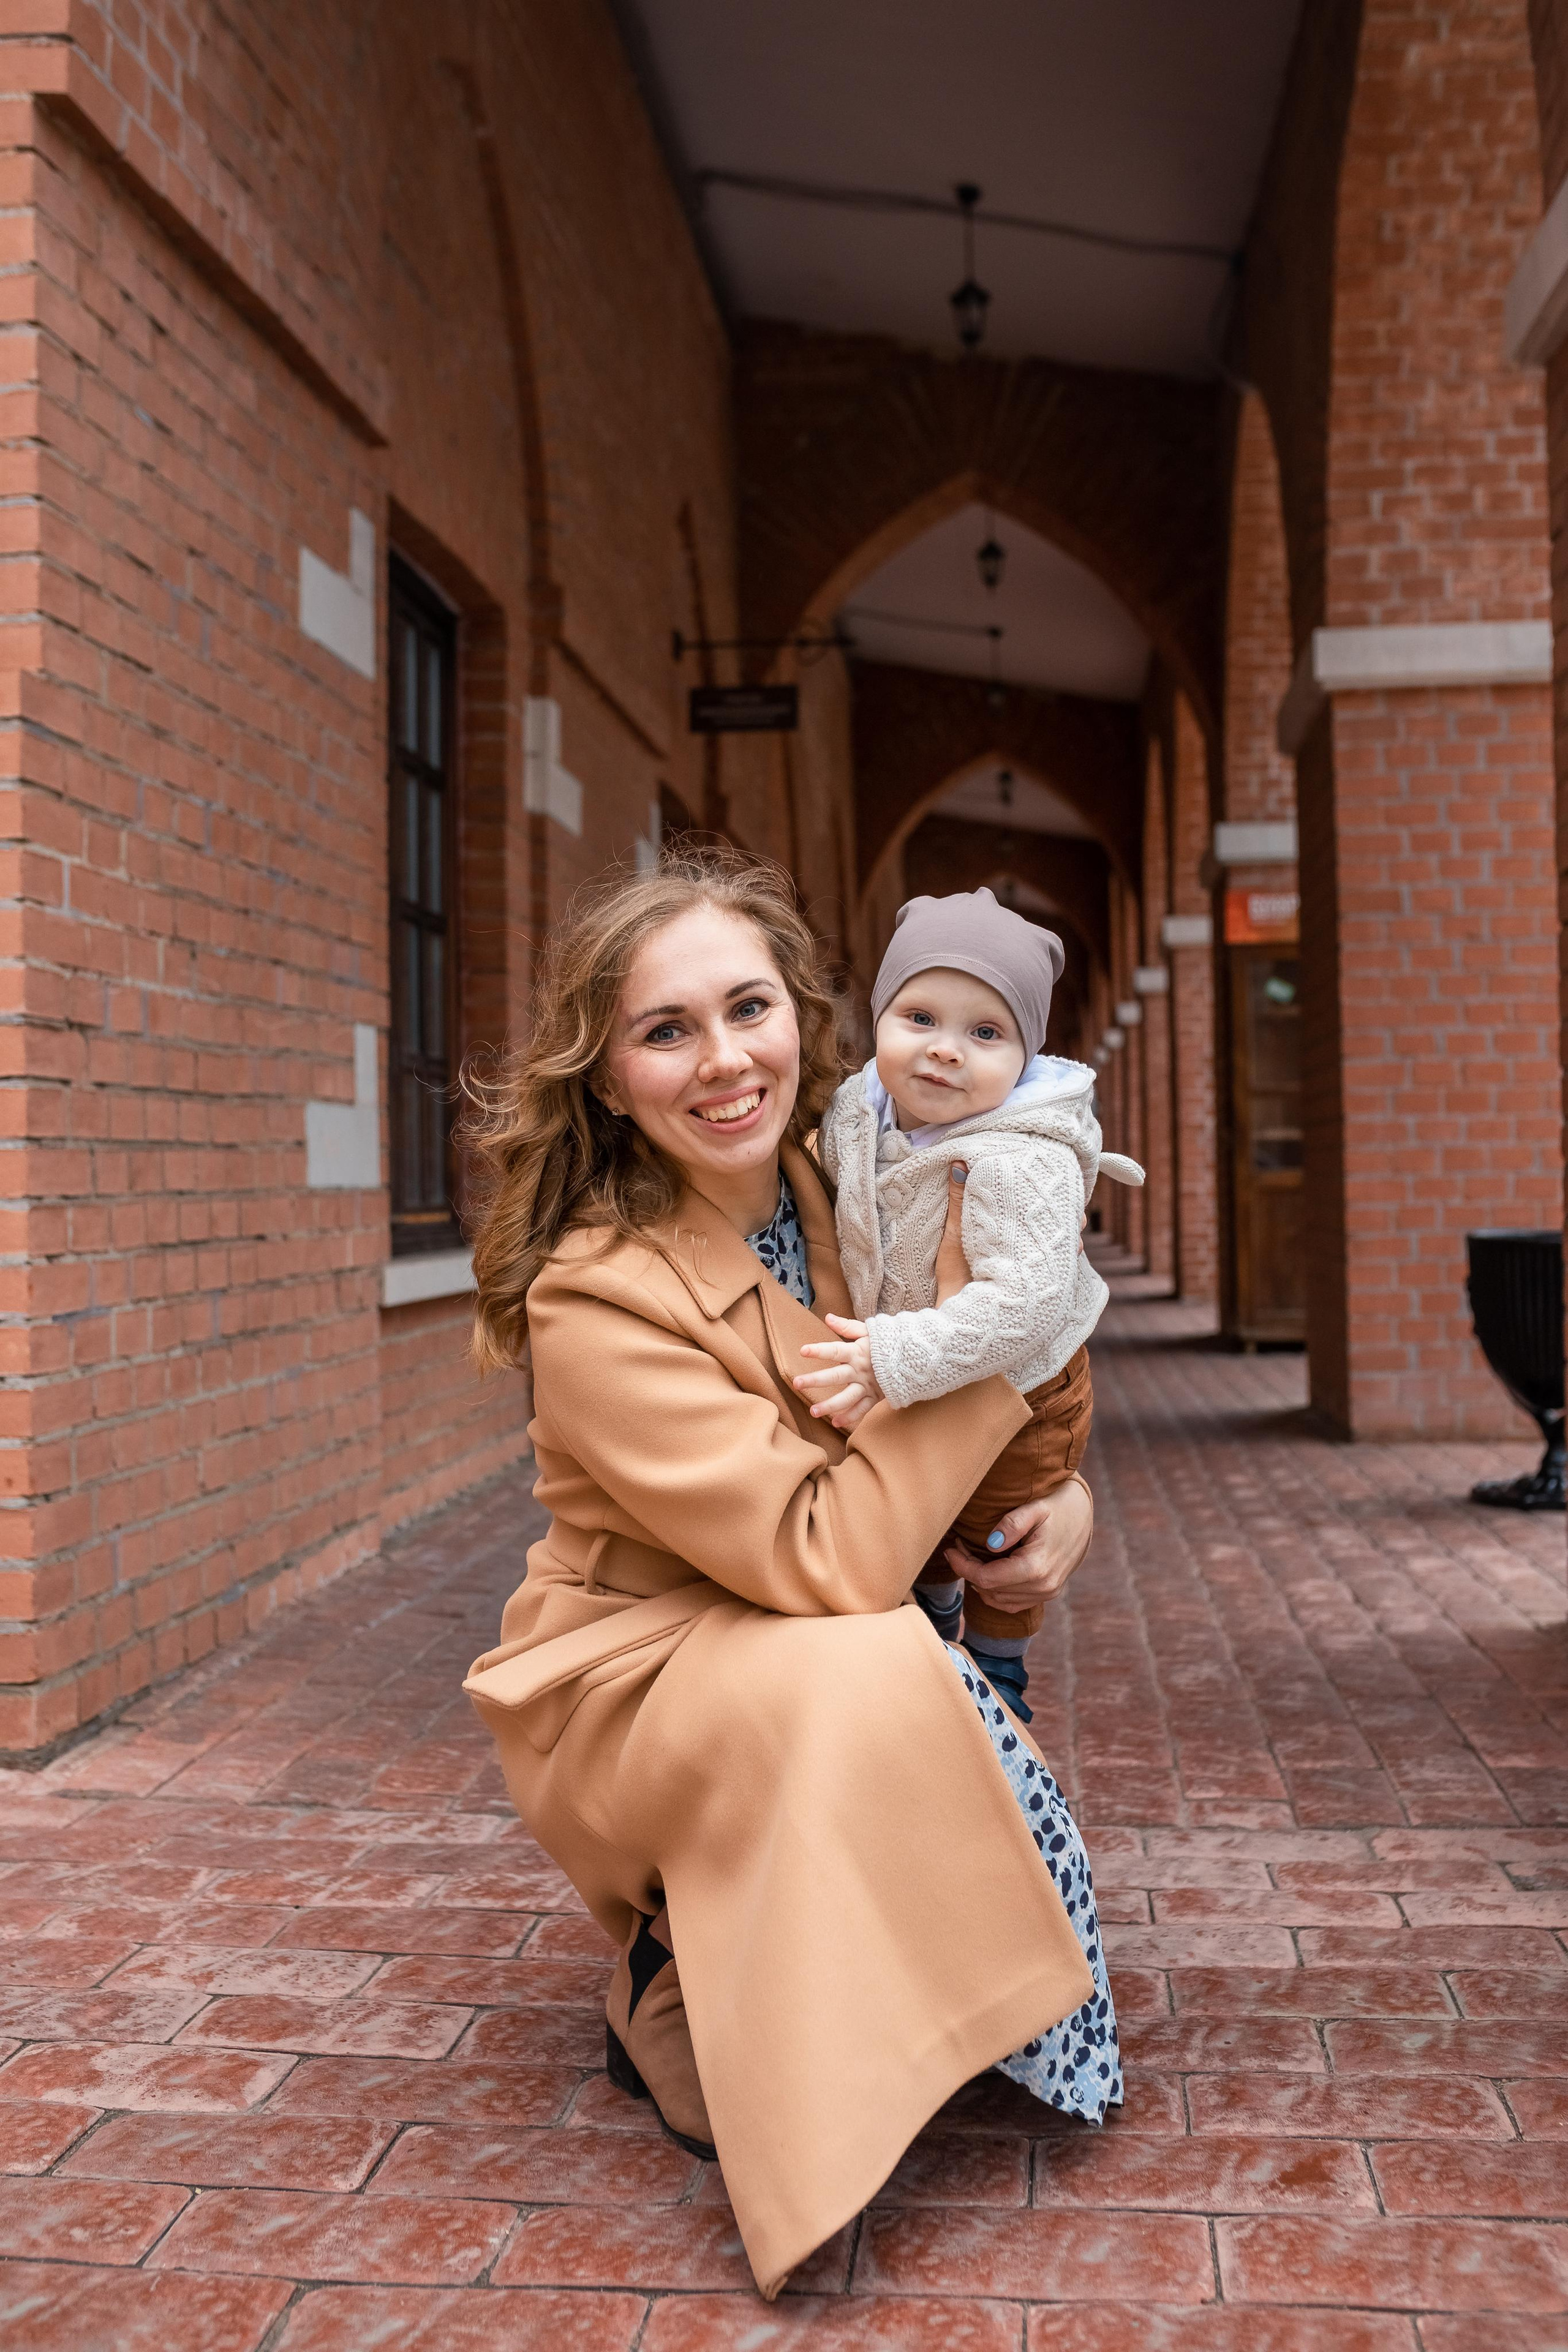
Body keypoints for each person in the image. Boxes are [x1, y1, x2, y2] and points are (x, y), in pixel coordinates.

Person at [461, 849, 1119, 2300]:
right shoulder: (593, 1288)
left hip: (811, 1621)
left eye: (745, 1008)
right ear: (609, 1074)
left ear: (802, 1017)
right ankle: (671, 1965)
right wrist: (992, 1368)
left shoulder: (849, 1178)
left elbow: (970, 1379)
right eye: (664, 1030)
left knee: (879, 1664)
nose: (721, 1062)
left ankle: (807, 1967)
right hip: (633, 1671)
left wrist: (1062, 1494)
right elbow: (829, 1555)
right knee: (863, 1659)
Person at [801, 886, 1143, 1720]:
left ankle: (1001, 1674)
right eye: (920, 1017)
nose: (946, 1051)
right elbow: (825, 1171)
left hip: (1025, 1391)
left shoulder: (1022, 1161)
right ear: (878, 1017)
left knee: (1000, 1533)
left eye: (985, 1033)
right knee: (921, 1529)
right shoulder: (858, 1112)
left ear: (1024, 1057)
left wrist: (896, 1356)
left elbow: (1023, 1304)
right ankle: (936, 1617)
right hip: (921, 1378)